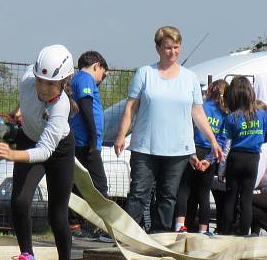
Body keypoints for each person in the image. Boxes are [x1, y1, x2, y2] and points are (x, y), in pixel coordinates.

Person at [113, 26, 223, 233]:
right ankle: (125, 236)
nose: (172, 52)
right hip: (146, 146)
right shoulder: (145, 73)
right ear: (158, 48)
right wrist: (120, 135)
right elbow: (130, 107)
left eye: (176, 47)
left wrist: (213, 141)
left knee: (168, 195)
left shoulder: (189, 78)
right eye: (167, 47)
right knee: (139, 193)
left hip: (177, 150)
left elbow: (198, 113)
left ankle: (161, 237)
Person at [0, 44, 78, 260]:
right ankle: (27, 255)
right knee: (19, 200)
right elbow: (25, 101)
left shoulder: (60, 107)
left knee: (57, 214)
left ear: (64, 82)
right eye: (41, 81)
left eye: (51, 84)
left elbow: (44, 151)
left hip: (57, 151)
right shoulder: (27, 79)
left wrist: (11, 154)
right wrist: (14, 115)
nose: (43, 88)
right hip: (29, 138)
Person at [173, 79, 228, 235]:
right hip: (210, 153)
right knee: (204, 193)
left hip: (193, 150)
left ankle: (180, 226)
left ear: (210, 89)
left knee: (184, 189)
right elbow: (222, 140)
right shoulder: (224, 114)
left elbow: (187, 130)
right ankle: (203, 230)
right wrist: (209, 161)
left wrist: (191, 154)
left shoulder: (200, 107)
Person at [68, 50, 110, 240]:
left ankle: (77, 224)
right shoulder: (85, 79)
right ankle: (98, 225)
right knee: (99, 185)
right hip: (86, 142)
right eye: (103, 73)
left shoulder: (79, 79)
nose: (102, 79)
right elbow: (85, 107)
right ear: (96, 66)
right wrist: (93, 137)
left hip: (84, 141)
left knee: (80, 184)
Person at [219, 76, 267, 236]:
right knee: (246, 199)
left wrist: (221, 171)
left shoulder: (231, 118)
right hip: (253, 159)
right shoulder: (261, 114)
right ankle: (244, 236)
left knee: (231, 198)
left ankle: (225, 233)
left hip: (235, 158)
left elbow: (226, 145)